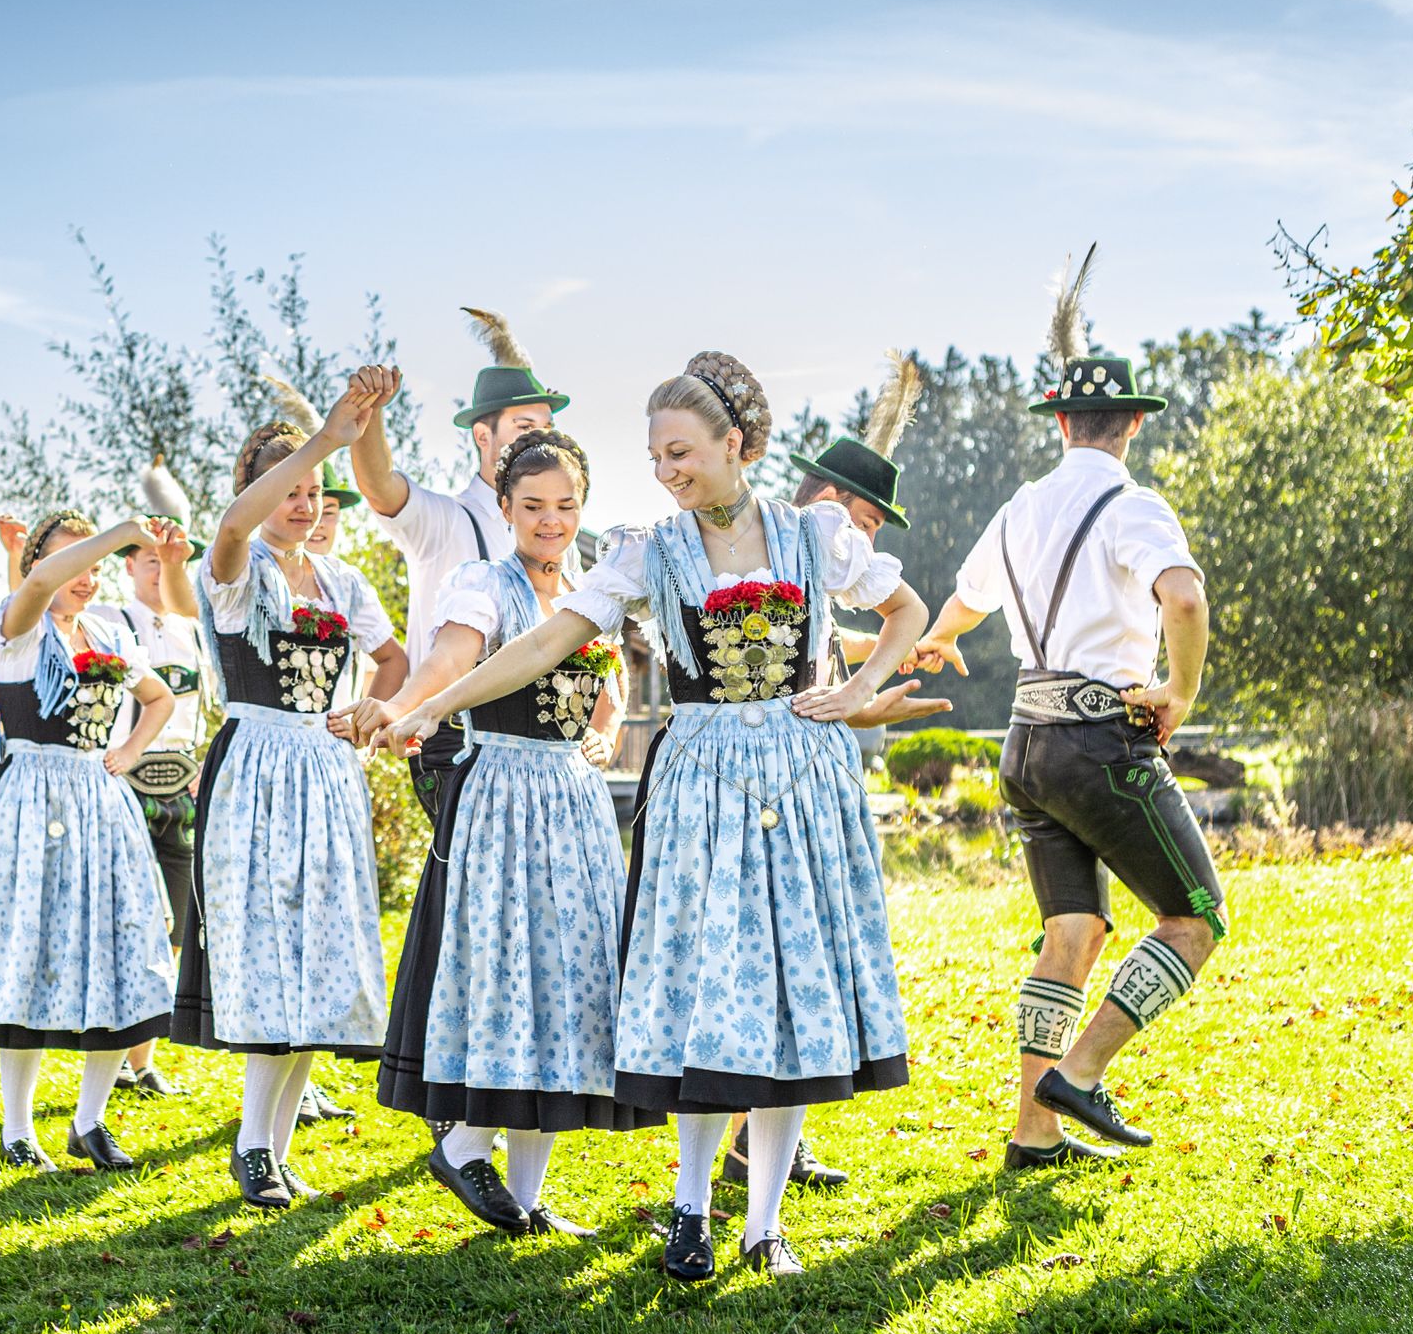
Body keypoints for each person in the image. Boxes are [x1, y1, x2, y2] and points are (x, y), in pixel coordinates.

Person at [378, 351, 928, 1279]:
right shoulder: (649, 549)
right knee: (707, 992)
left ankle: (764, 1223)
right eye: (656, 457)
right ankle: (688, 1209)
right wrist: (438, 703)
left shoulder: (811, 534)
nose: (669, 472)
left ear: (734, 444)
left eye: (681, 453)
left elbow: (907, 607)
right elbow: (554, 637)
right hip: (702, 780)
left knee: (789, 993)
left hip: (801, 778)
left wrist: (862, 685)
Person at [910, 252, 1223, 1170]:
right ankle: (1078, 1076)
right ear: (1129, 423)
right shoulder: (1134, 503)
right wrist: (1180, 692)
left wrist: (933, 641)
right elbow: (1186, 600)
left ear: (1060, 424)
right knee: (1194, 917)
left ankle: (1032, 1131)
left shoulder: (1017, 509)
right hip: (1100, 743)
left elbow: (964, 604)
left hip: (1025, 744)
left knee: (1073, 933)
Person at [346, 426, 642, 1237]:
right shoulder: (485, 581)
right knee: (514, 971)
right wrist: (409, 706)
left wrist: (606, 731)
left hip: (574, 802)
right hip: (505, 795)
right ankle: (467, 1140)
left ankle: (530, 1194)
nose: (552, 520)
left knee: (572, 980)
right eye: (534, 505)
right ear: (505, 506)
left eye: (566, 505)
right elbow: (450, 660)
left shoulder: (590, 590)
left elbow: (604, 684)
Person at [173, 369, 409, 1211]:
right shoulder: (237, 568)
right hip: (259, 762)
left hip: (326, 768)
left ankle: (274, 1147)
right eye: (291, 489)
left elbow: (393, 660)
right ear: (260, 491)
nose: (304, 503)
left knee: (328, 957)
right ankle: (249, 1143)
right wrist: (325, 438)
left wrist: (380, 706)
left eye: (314, 491)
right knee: (273, 953)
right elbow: (234, 525)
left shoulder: (344, 583)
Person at [725, 354, 946, 1193]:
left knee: (795, 953)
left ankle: (766, 1135)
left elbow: (814, 657)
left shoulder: (798, 550)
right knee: (766, 953)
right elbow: (779, 688)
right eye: (871, 520)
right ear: (835, 506)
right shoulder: (786, 540)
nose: (874, 538)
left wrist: (869, 672)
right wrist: (862, 695)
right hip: (757, 783)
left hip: (799, 780)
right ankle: (747, 1136)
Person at [0, 513, 185, 1172]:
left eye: (95, 565)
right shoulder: (16, 624)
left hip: (99, 801)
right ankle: (16, 1129)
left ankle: (90, 1121)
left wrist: (126, 750)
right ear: (40, 564)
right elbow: (40, 579)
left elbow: (158, 699)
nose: (86, 575)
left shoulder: (106, 632)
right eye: (75, 561)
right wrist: (120, 533)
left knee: (121, 951)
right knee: (30, 956)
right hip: (32, 797)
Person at [350, 308, 568, 823]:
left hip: (544, 740)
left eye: (546, 427)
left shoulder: (557, 535)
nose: (538, 440)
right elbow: (380, 485)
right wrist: (370, 415)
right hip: (456, 736)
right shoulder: (446, 521)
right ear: (482, 436)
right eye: (523, 427)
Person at [104, 481, 205, 1097]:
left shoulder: (194, 627)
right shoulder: (108, 622)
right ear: (129, 565)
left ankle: (141, 1060)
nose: (158, 570)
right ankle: (114, 1054)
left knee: (172, 927)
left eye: (168, 559)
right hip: (129, 782)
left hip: (182, 783)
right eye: (147, 559)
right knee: (131, 921)